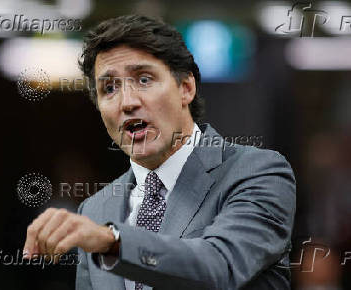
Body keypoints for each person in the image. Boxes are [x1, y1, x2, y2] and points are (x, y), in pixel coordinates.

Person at [23, 15, 296, 290]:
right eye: (109, 88)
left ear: (186, 88)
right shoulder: (94, 210)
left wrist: (113, 243)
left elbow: (220, 265)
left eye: (144, 79)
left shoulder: (259, 173)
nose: (127, 102)